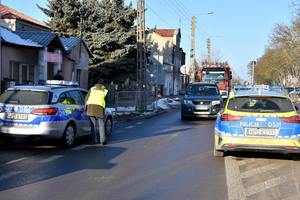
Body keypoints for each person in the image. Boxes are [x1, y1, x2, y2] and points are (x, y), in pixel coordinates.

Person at [85, 79, 108, 145]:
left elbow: (86, 98)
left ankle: (94, 140)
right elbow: (106, 102)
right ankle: (102, 141)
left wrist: (86, 108)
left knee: (93, 125)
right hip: (100, 108)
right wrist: (104, 110)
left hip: (90, 107)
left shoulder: (92, 89)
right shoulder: (105, 91)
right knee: (101, 124)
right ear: (103, 85)